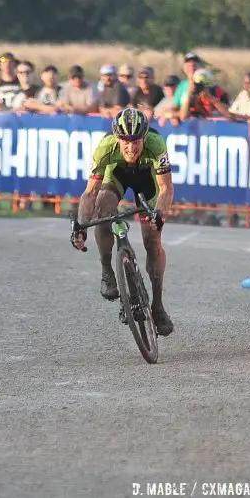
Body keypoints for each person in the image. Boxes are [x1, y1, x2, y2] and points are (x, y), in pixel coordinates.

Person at [70, 108, 174, 336]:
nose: (130, 147)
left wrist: (158, 213)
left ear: (144, 137)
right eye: (125, 141)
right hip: (117, 175)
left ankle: (157, 306)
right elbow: (89, 193)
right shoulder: (105, 148)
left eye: (136, 141)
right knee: (103, 208)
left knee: (152, 241)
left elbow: (166, 188)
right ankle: (107, 269)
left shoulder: (156, 144)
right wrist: (80, 225)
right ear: (117, 138)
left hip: (148, 181)